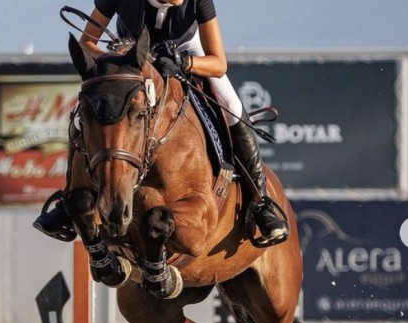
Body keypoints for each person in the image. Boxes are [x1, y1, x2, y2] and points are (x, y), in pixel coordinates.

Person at [33, 0, 288, 244]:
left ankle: (260, 202)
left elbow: (218, 63)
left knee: (232, 106)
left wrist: (184, 61)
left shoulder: (199, 1)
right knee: (80, 113)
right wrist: (120, 61)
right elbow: (87, 42)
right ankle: (68, 201)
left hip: (187, 52)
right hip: (130, 59)